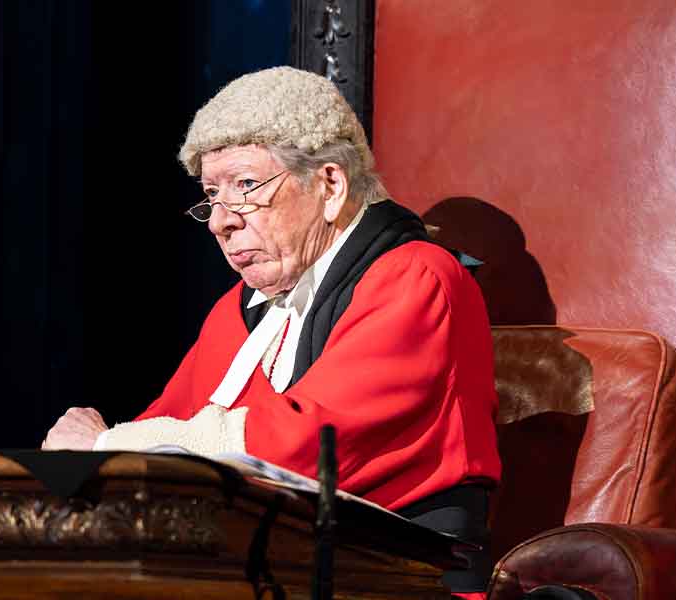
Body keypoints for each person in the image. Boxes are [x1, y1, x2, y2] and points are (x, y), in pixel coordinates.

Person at [42, 66, 499, 594]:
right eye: (212, 194)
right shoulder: (239, 309)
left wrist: (105, 443)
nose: (220, 220)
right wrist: (85, 459)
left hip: (399, 581)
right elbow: (164, 428)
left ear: (329, 185)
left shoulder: (416, 275)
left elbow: (300, 448)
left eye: (245, 185)